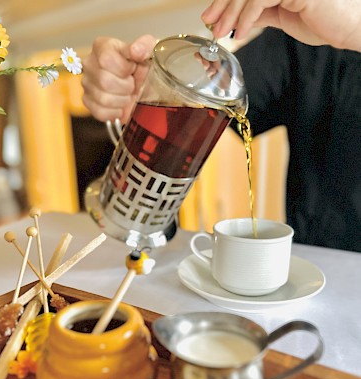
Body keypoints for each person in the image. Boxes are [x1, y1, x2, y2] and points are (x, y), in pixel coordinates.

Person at [81, 1, 361, 252]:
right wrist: (144, 85)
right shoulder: (307, 34)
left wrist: (354, 28)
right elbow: (213, 101)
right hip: (315, 275)